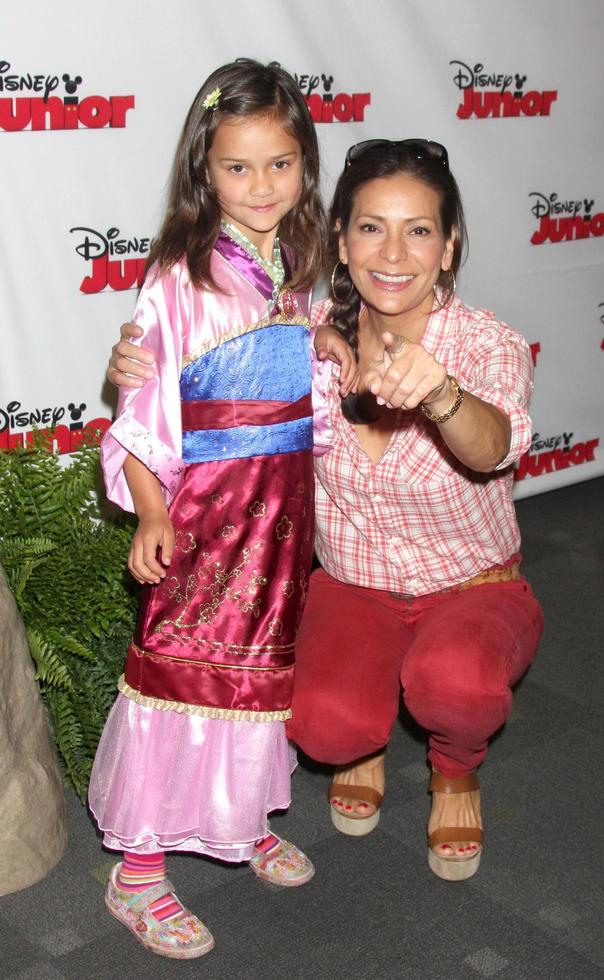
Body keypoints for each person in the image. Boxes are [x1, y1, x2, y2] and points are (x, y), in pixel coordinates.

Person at [107, 138, 543, 887]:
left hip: (471, 586)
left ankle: (456, 771)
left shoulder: (486, 344)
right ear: (340, 240)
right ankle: (360, 737)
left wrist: (442, 395)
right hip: (353, 588)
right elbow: (210, 373)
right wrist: (146, 356)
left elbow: (491, 444)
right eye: (371, 227)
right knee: (322, 723)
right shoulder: (311, 335)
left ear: (450, 245)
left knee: (457, 686)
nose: (394, 252)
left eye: (420, 230)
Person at [89, 59, 356, 960]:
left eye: (280, 164)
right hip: (206, 521)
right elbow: (146, 407)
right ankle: (137, 871)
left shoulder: (297, 265)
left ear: (307, 167)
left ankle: (238, 820)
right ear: (205, 168)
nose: (260, 186)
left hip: (280, 521)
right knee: (181, 679)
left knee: (258, 678)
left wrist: (319, 335)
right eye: (238, 167)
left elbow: (292, 379)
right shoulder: (179, 276)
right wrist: (155, 511)